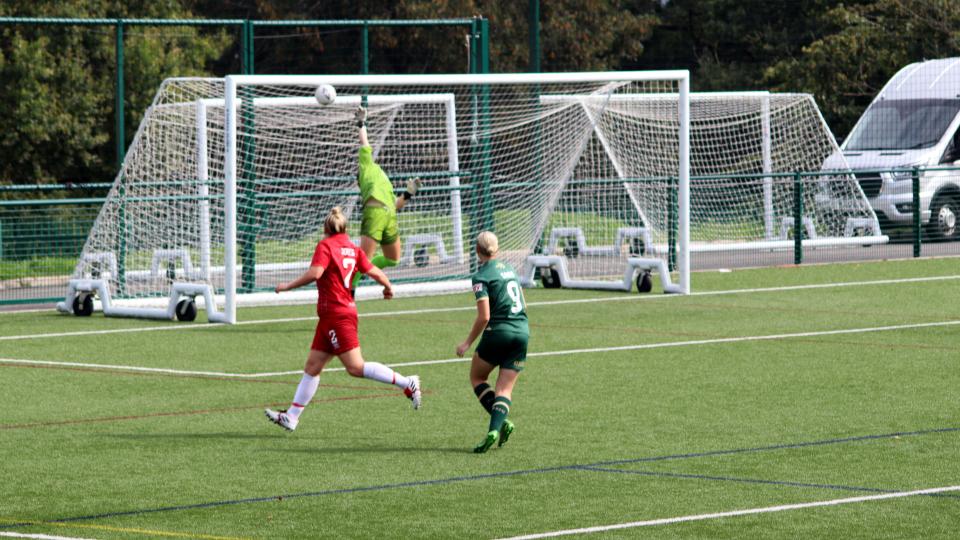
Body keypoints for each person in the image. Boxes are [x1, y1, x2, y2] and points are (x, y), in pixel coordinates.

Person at [265, 206, 421, 432]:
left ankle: (408, 383)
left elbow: (316, 273)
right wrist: (388, 287)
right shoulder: (352, 248)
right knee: (313, 366)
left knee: (355, 367)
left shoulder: (325, 246)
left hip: (337, 315)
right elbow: (373, 271)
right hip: (333, 315)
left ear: (325, 228)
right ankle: (292, 416)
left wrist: (287, 286)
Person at [456, 231, 529, 453]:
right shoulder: (511, 270)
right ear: (497, 249)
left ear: (477, 251)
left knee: (477, 377)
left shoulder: (481, 276)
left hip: (499, 332)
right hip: (522, 332)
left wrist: (467, 343)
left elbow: (484, 316)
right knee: (504, 389)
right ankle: (496, 427)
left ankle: (500, 424)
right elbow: (524, 303)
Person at [350, 105, 421, 295]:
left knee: (393, 259)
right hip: (375, 214)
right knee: (363, 259)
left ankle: (363, 270)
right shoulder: (366, 166)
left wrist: (409, 193)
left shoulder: (384, 181)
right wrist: (361, 122)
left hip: (389, 215)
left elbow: (395, 205)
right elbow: (364, 142)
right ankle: (350, 291)